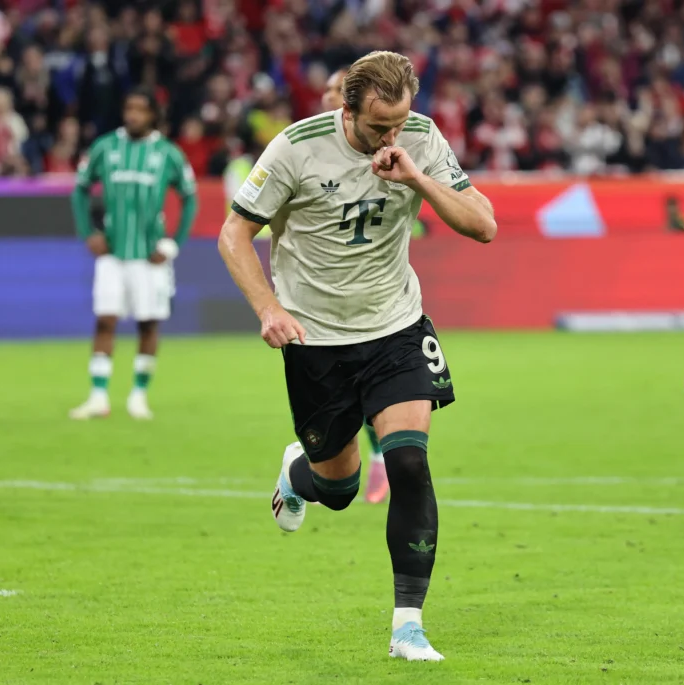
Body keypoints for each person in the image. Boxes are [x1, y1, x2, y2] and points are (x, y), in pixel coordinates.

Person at [217, 51, 495, 660]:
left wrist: (417, 178)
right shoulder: (295, 149)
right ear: (346, 110)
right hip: (316, 340)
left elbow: (484, 226)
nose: (391, 136)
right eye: (377, 126)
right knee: (338, 488)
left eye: (399, 122)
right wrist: (268, 309)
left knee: (408, 464)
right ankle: (298, 475)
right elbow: (234, 234)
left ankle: (408, 628)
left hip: (396, 328)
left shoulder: (420, 138)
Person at [69, 87, 199, 420]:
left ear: (153, 114)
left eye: (140, 109)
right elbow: (80, 189)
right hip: (112, 253)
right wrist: (89, 233)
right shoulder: (104, 147)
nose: (133, 115)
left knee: (148, 324)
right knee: (105, 320)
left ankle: (139, 395)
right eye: (129, 108)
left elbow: (189, 198)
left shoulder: (168, 153)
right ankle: (98, 396)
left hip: (149, 256)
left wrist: (173, 243)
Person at [320, 67, 389, 503]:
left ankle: (380, 459)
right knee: (335, 398)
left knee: (369, 388)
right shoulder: (303, 147)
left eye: (337, 89)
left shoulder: (384, 151)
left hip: (370, 292)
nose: (329, 96)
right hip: (318, 298)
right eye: (327, 89)